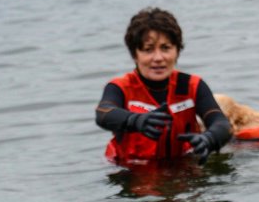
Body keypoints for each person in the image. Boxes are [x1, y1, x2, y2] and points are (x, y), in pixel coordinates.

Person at [96, 8, 231, 166]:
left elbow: (222, 124)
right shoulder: (120, 87)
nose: (158, 58)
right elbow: (104, 114)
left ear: (177, 51)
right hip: (131, 172)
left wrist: (209, 139)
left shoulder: (192, 86)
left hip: (184, 168)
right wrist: (135, 120)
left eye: (165, 48)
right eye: (148, 50)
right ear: (135, 54)